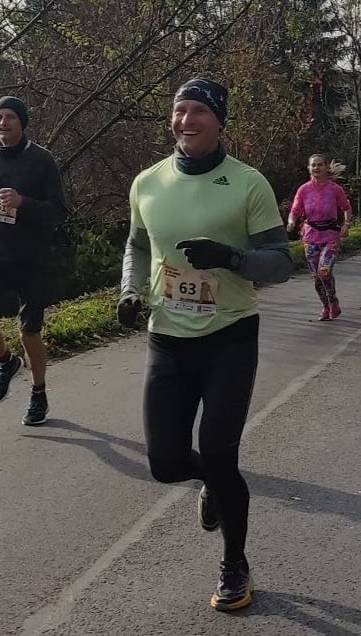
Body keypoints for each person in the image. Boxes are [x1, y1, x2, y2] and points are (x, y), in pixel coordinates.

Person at [116, 77, 293, 612]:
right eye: (178, 110)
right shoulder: (147, 182)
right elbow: (137, 244)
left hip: (229, 338)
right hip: (167, 339)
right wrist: (129, 290)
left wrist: (231, 257)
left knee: (219, 451)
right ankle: (211, 483)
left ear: (219, 122)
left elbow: (282, 262)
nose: (185, 120)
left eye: (198, 111)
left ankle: (235, 564)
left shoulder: (247, 183)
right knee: (166, 463)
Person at [0, 96, 68, 426]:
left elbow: (58, 212)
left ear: (22, 122)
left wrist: (23, 202)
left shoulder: (41, 160)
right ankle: (6, 362)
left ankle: (38, 392)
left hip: (32, 258)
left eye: (10, 117)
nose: (2, 122)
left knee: (29, 333)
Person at [287, 154, 352, 320]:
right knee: (316, 277)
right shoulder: (304, 190)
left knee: (324, 271)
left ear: (326, 168)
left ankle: (333, 301)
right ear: (309, 168)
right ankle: (325, 306)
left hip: (330, 235)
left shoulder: (334, 189)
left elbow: (346, 207)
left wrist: (346, 224)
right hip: (310, 236)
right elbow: (295, 210)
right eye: (313, 165)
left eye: (320, 165)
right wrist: (291, 222)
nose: (316, 168)